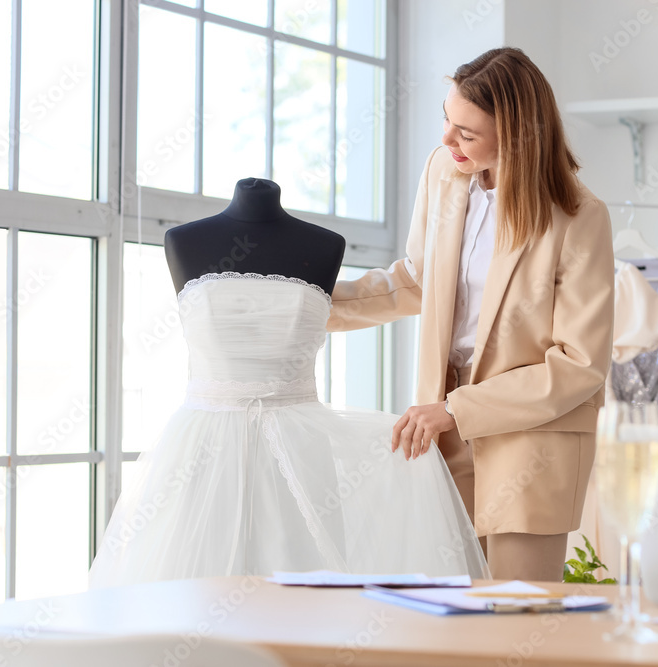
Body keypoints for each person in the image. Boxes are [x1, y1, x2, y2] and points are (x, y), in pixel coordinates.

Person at [87, 178, 489, 588]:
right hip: (204, 442)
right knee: (192, 580)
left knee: (303, 575)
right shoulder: (182, 241)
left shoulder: (325, 246)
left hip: (300, 439)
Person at [327, 47, 614, 581]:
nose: (446, 141)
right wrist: (314, 307)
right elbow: (417, 280)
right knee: (443, 611)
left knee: (513, 628)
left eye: (467, 133)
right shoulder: (444, 172)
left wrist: (458, 408)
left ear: (519, 133)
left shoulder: (579, 216)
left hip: (532, 442)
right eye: (446, 119)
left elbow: (579, 364)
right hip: (440, 429)